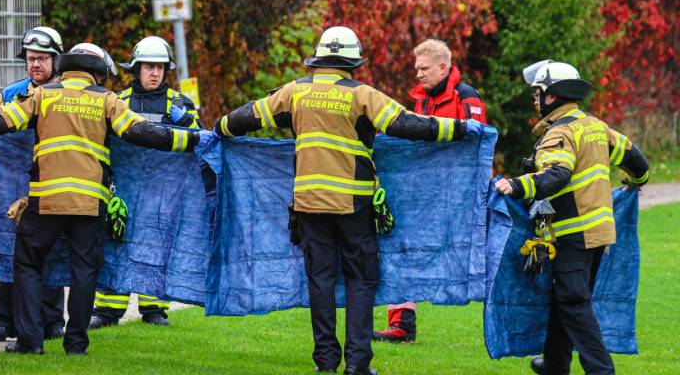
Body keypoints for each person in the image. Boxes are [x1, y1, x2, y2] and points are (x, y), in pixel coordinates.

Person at [213, 26, 484, 375]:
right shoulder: (362, 95)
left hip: (308, 205)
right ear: (352, 63)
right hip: (354, 205)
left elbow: (248, 116)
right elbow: (407, 125)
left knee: (321, 282)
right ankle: (357, 365)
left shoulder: (295, 92)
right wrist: (460, 130)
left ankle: (325, 363)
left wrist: (218, 129)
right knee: (361, 281)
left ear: (319, 59)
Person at [0, 43, 210, 356]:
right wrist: (196, 138)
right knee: (84, 272)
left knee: (29, 266)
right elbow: (147, 134)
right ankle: (76, 345)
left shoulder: (43, 95)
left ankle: (31, 343)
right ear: (98, 73)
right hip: (89, 205)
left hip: (46, 201)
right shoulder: (108, 100)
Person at [494, 60, 648, 375]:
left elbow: (557, 175)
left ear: (553, 95)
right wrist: (638, 181)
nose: (534, 99)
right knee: (565, 298)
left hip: (574, 234)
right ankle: (555, 364)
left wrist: (516, 185)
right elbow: (636, 160)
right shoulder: (595, 126)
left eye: (537, 93)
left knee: (574, 303)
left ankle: (600, 369)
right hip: (599, 234)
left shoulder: (559, 132)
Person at [374, 39, 487, 344]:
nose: (418, 75)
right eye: (416, 69)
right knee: (403, 245)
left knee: (476, 254)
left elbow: (480, 145)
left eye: (424, 69)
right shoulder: (421, 99)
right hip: (426, 188)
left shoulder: (467, 97)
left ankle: (507, 317)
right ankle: (402, 324)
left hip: (457, 193)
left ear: (443, 66)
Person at [90, 36, 202, 329]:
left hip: (163, 193)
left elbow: (201, 139)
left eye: (160, 67)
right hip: (123, 189)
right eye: (149, 67)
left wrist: (188, 121)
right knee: (117, 244)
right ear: (136, 69)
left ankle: (154, 309)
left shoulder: (179, 103)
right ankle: (108, 310)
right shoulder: (120, 101)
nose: (155, 73)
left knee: (156, 247)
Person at [0, 26, 68, 343]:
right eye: (31, 59)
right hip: (13, 185)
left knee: (51, 252)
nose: (36, 65)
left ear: (56, 60)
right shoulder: (10, 94)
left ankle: (52, 321)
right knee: (11, 251)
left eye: (43, 59)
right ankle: (5, 321)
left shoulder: (66, 94)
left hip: (52, 184)